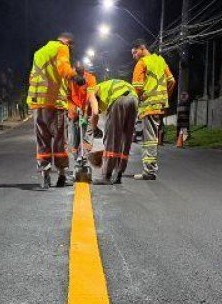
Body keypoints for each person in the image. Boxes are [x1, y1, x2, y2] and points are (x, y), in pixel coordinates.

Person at [27, 32, 85, 189]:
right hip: (54, 103)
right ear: (69, 43)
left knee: (42, 141)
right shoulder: (61, 48)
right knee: (59, 140)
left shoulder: (39, 53)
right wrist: (76, 77)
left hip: (37, 103)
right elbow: (63, 68)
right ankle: (61, 175)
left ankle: (45, 175)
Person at [131, 39, 176, 180]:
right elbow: (171, 81)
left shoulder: (142, 63)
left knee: (149, 139)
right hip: (159, 106)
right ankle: (150, 170)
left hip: (148, 106)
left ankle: (149, 172)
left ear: (142, 48)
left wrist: (135, 102)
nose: (134, 56)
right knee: (153, 138)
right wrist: (164, 98)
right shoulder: (160, 61)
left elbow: (137, 87)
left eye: (134, 52)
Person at [87, 79, 139, 185]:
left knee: (112, 138)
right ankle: (119, 174)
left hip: (119, 100)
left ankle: (106, 175)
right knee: (126, 139)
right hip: (134, 99)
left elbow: (95, 112)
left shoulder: (91, 92)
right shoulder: (105, 87)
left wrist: (94, 128)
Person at [67, 61, 97, 166]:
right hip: (74, 111)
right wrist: (73, 109)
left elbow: (90, 97)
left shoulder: (90, 78)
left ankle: (84, 157)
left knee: (87, 134)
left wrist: (85, 114)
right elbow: (67, 96)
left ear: (83, 71)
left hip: (87, 111)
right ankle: (76, 159)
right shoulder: (69, 79)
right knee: (74, 138)